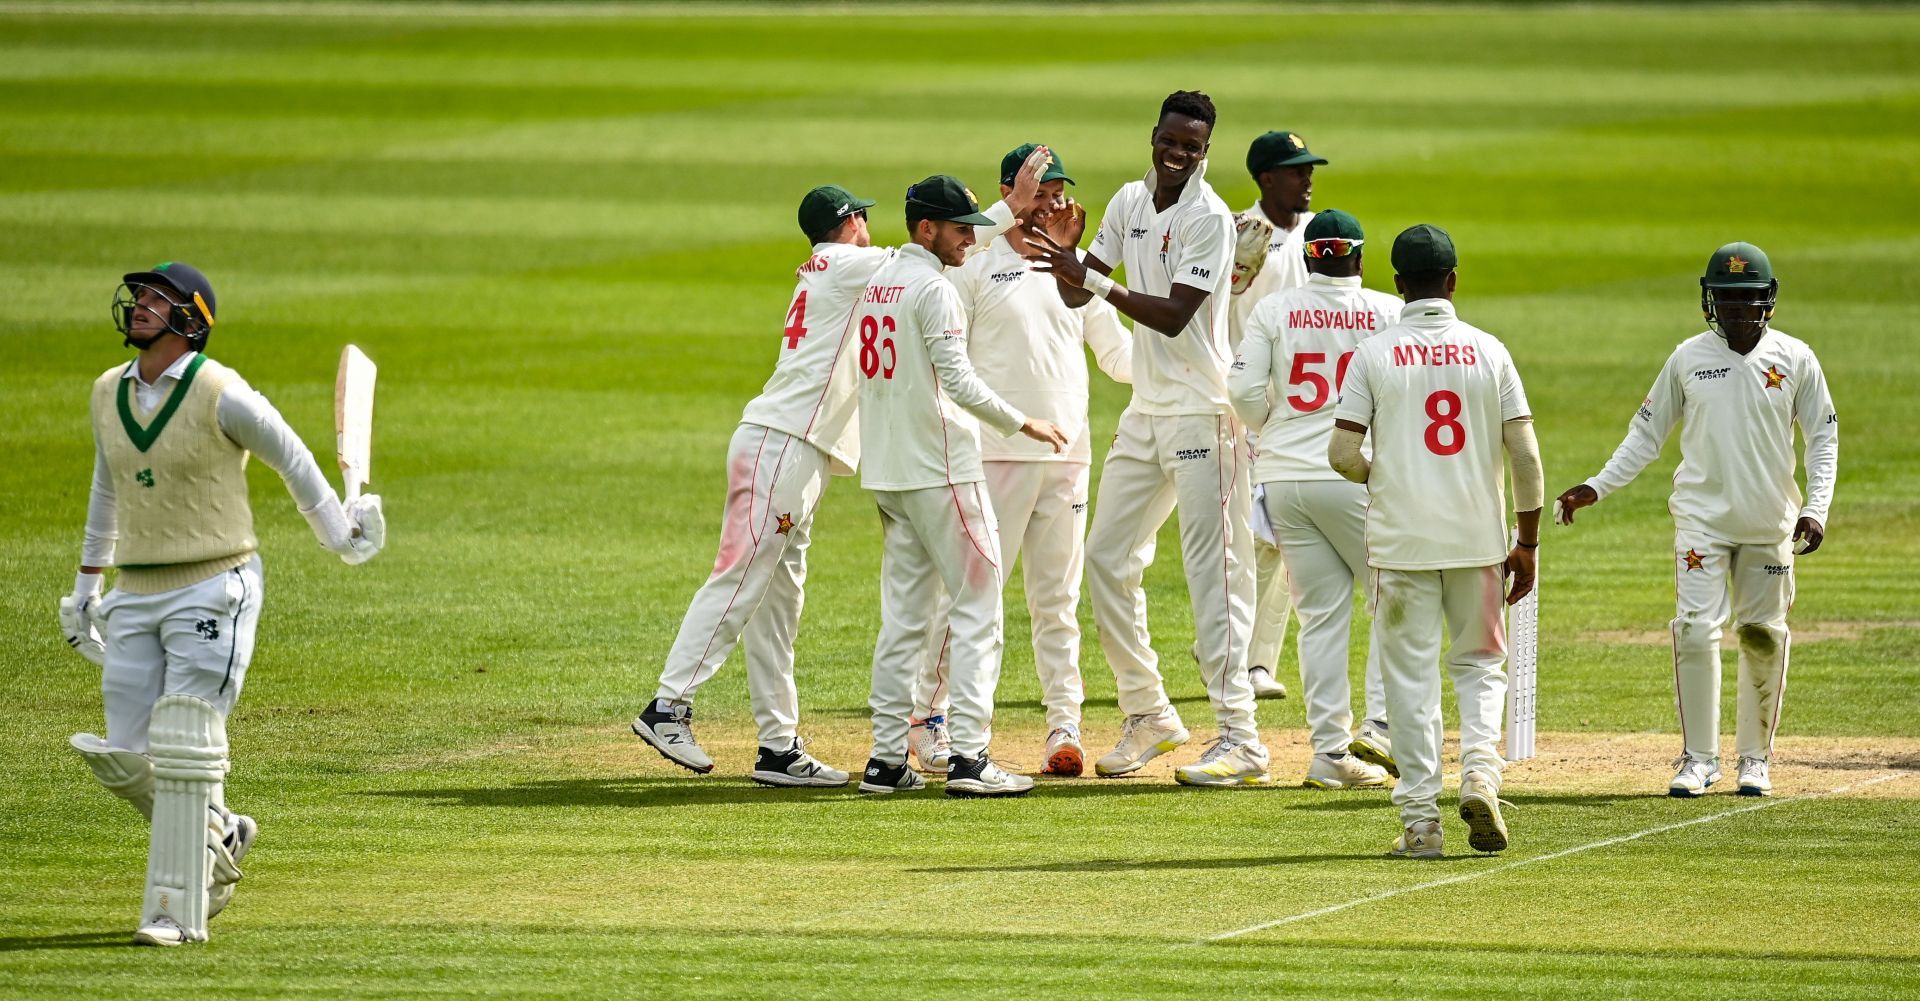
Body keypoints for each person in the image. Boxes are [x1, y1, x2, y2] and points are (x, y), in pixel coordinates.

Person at [632, 152, 1050, 786]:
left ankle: (777, 747)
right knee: (741, 577)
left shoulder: (839, 275)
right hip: (782, 442)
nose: (868, 226)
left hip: (798, 449)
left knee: (778, 604)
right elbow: (921, 255)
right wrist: (1008, 209)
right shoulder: (841, 263)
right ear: (849, 221)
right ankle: (669, 704)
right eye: (862, 217)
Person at [60, 262, 385, 945]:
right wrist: (86, 587)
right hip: (135, 590)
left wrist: (341, 533)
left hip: (214, 582)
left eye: (159, 298)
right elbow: (108, 490)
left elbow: (292, 458)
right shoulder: (106, 393)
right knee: (120, 754)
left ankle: (178, 914)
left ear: (191, 318)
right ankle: (221, 831)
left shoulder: (220, 392)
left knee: (184, 742)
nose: (142, 305)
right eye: (142, 295)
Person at [1026, 90, 1267, 787]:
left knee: (1212, 573)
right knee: (1103, 557)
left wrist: (1092, 280)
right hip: (1147, 411)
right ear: (1153, 136)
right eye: (1170, 139)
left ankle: (1242, 736)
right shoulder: (1130, 201)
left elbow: (1173, 316)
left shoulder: (1210, 219)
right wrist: (1072, 261)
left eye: (1192, 145)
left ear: (1205, 151)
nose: (1178, 152)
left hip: (1202, 410)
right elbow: (1076, 290)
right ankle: (1149, 711)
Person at [1554, 242, 1836, 799]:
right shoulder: (1688, 357)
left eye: (1748, 299)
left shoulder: (1795, 357)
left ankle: (1754, 761)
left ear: (1768, 301)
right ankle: (1699, 759)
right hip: (1701, 522)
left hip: (1769, 525)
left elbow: (1823, 437)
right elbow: (1646, 435)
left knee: (1762, 636)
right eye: (1727, 300)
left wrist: (1814, 509)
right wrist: (1597, 485)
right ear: (1711, 301)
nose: (1737, 311)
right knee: (1695, 632)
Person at [908, 144, 1132, 778]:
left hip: (1068, 457)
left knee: (1057, 601)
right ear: (1010, 190)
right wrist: (1008, 218)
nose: (1053, 201)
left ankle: (1064, 725)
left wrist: (1200, 374)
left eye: (1060, 189)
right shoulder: (972, 265)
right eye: (1040, 188)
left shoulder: (1075, 272)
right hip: (995, 455)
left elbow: (1120, 358)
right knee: (974, 595)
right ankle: (928, 720)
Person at [1328, 225, 1541, 857]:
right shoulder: (1489, 351)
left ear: (1398, 286)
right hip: (1477, 543)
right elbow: (1526, 457)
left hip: (1401, 545)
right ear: (1452, 281)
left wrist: (1385, 477)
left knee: (1410, 681)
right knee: (1479, 667)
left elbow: (1341, 453)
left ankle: (1421, 823)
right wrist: (1525, 541)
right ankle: (1480, 772)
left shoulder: (1375, 352)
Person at [854, 174, 1069, 798]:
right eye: (959, 229)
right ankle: (971, 757)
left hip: (890, 474)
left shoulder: (883, 279)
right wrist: (1021, 420)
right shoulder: (936, 291)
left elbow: (963, 248)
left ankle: (887, 759)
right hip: (942, 471)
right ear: (928, 229)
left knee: (903, 618)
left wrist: (1011, 208)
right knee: (979, 607)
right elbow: (961, 380)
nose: (969, 241)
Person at [1229, 209, 1399, 789]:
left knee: (1320, 618)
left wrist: (1274, 428)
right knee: (1392, 598)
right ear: (1358, 256)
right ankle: (1379, 727)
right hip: (1356, 474)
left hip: (1285, 479)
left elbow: (1243, 390)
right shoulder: (1388, 311)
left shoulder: (1274, 309)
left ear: (1309, 257)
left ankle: (1330, 754)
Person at [1229, 129, 1330, 701]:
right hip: (1249, 403)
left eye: (1308, 168)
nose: (1307, 178)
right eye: (1296, 170)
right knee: (1253, 535)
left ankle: (1255, 662)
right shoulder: (1242, 234)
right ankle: (1232, 647)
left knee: (1283, 537)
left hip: (1304, 410)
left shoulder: (1323, 239)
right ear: (1267, 178)